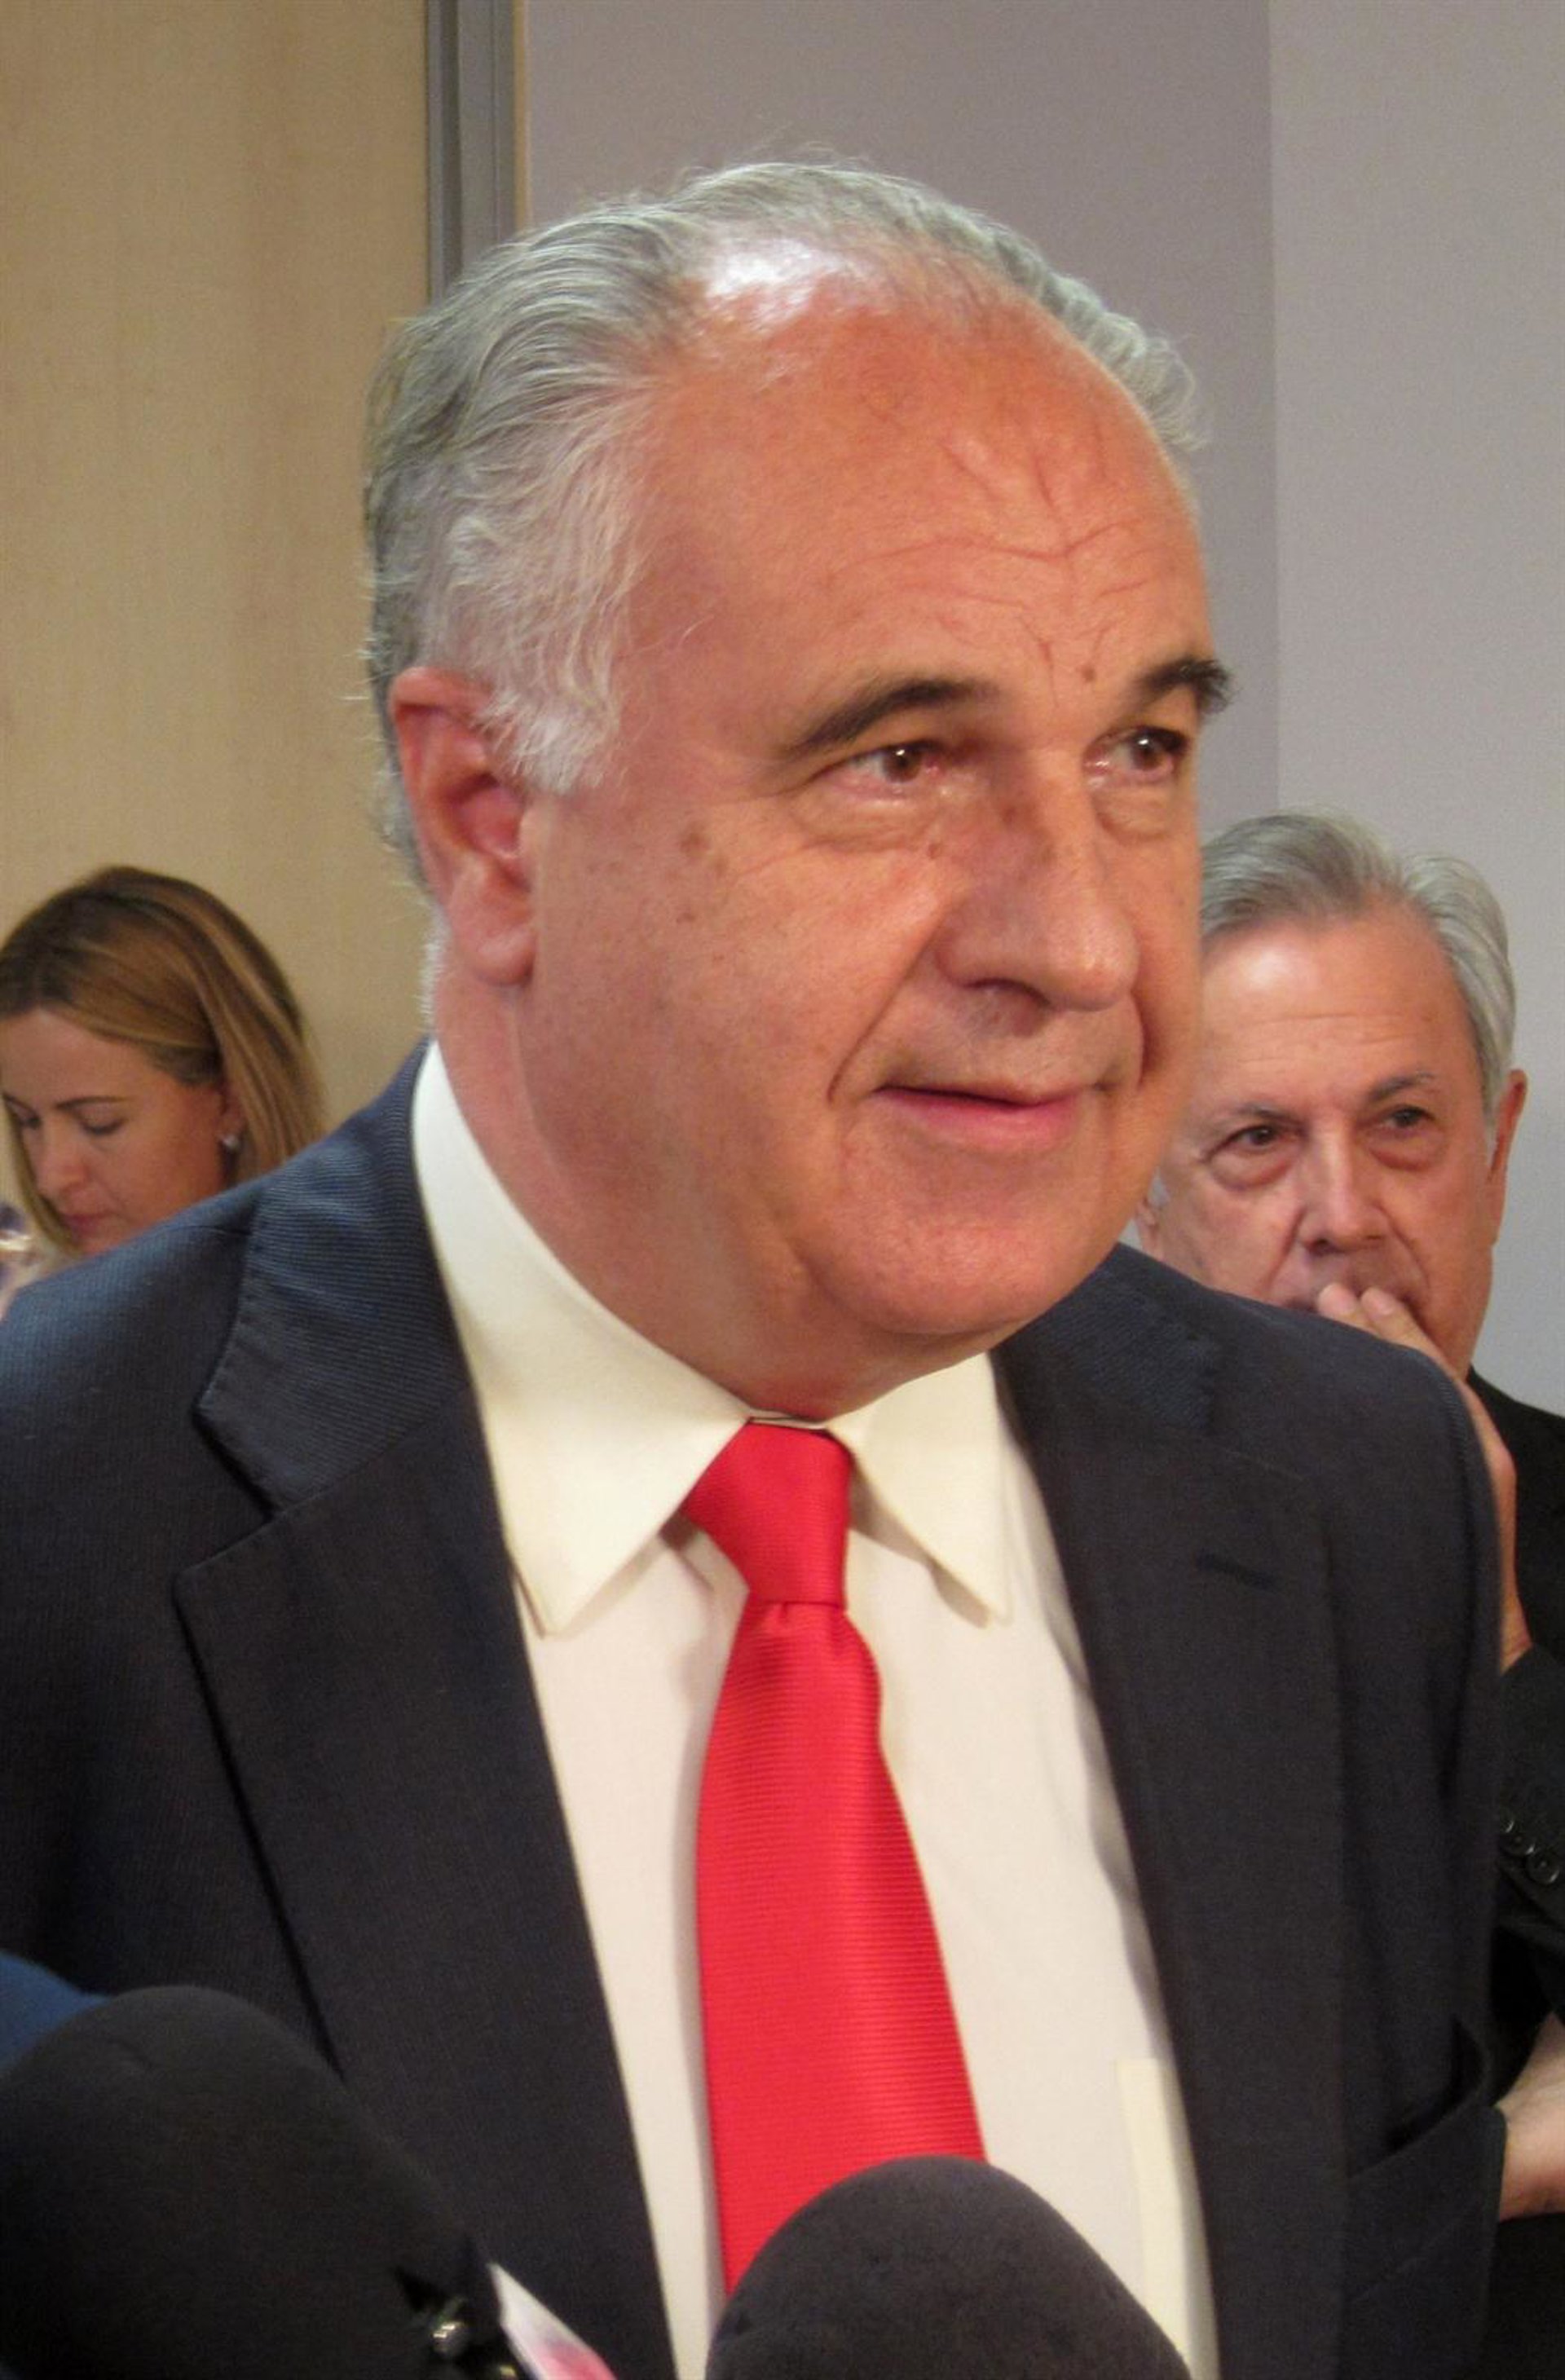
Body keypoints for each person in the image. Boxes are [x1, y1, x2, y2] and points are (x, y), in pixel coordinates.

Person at [0, 165, 1502, 2380]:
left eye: (1141, 753)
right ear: (495, 814)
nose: (1086, 943)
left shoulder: (1355, 1499)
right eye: (901, 761)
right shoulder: (54, 1529)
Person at [1135, 809, 1565, 2206]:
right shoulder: (1025, 1554)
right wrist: (1475, 2179)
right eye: (1259, 1139)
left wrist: (1495, 1643)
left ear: (1496, 1151)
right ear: (1138, 1193)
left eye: (1404, 1125)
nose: (1345, 1212)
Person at [0, 864, 323, 1261]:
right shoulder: (35, 1290)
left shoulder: (347, 1289)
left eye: (99, 1123)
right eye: (27, 1120)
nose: (50, 1179)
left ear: (232, 1102)